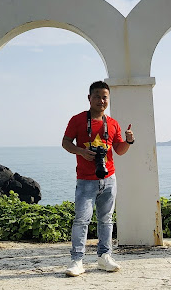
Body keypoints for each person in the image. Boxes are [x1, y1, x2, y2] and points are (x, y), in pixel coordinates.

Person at [61, 80, 134, 277]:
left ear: (108, 99)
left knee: (106, 220)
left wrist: (129, 140)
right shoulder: (77, 120)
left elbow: (119, 150)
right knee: (81, 220)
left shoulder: (112, 123)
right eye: (97, 97)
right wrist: (81, 152)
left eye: (104, 97)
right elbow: (65, 142)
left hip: (109, 178)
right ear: (89, 98)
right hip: (85, 179)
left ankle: (104, 257)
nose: (101, 101)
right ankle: (77, 261)